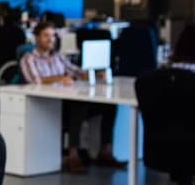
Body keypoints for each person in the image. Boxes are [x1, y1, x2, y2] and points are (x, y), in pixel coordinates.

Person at [20, 22, 125, 174]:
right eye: (46, 36)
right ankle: (73, 155)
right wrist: (59, 78)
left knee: (109, 106)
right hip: (48, 107)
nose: (51, 39)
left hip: (67, 102)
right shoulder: (29, 59)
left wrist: (94, 74)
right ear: (36, 38)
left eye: (53, 36)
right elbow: (34, 79)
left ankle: (105, 151)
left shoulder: (58, 57)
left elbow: (76, 72)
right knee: (78, 106)